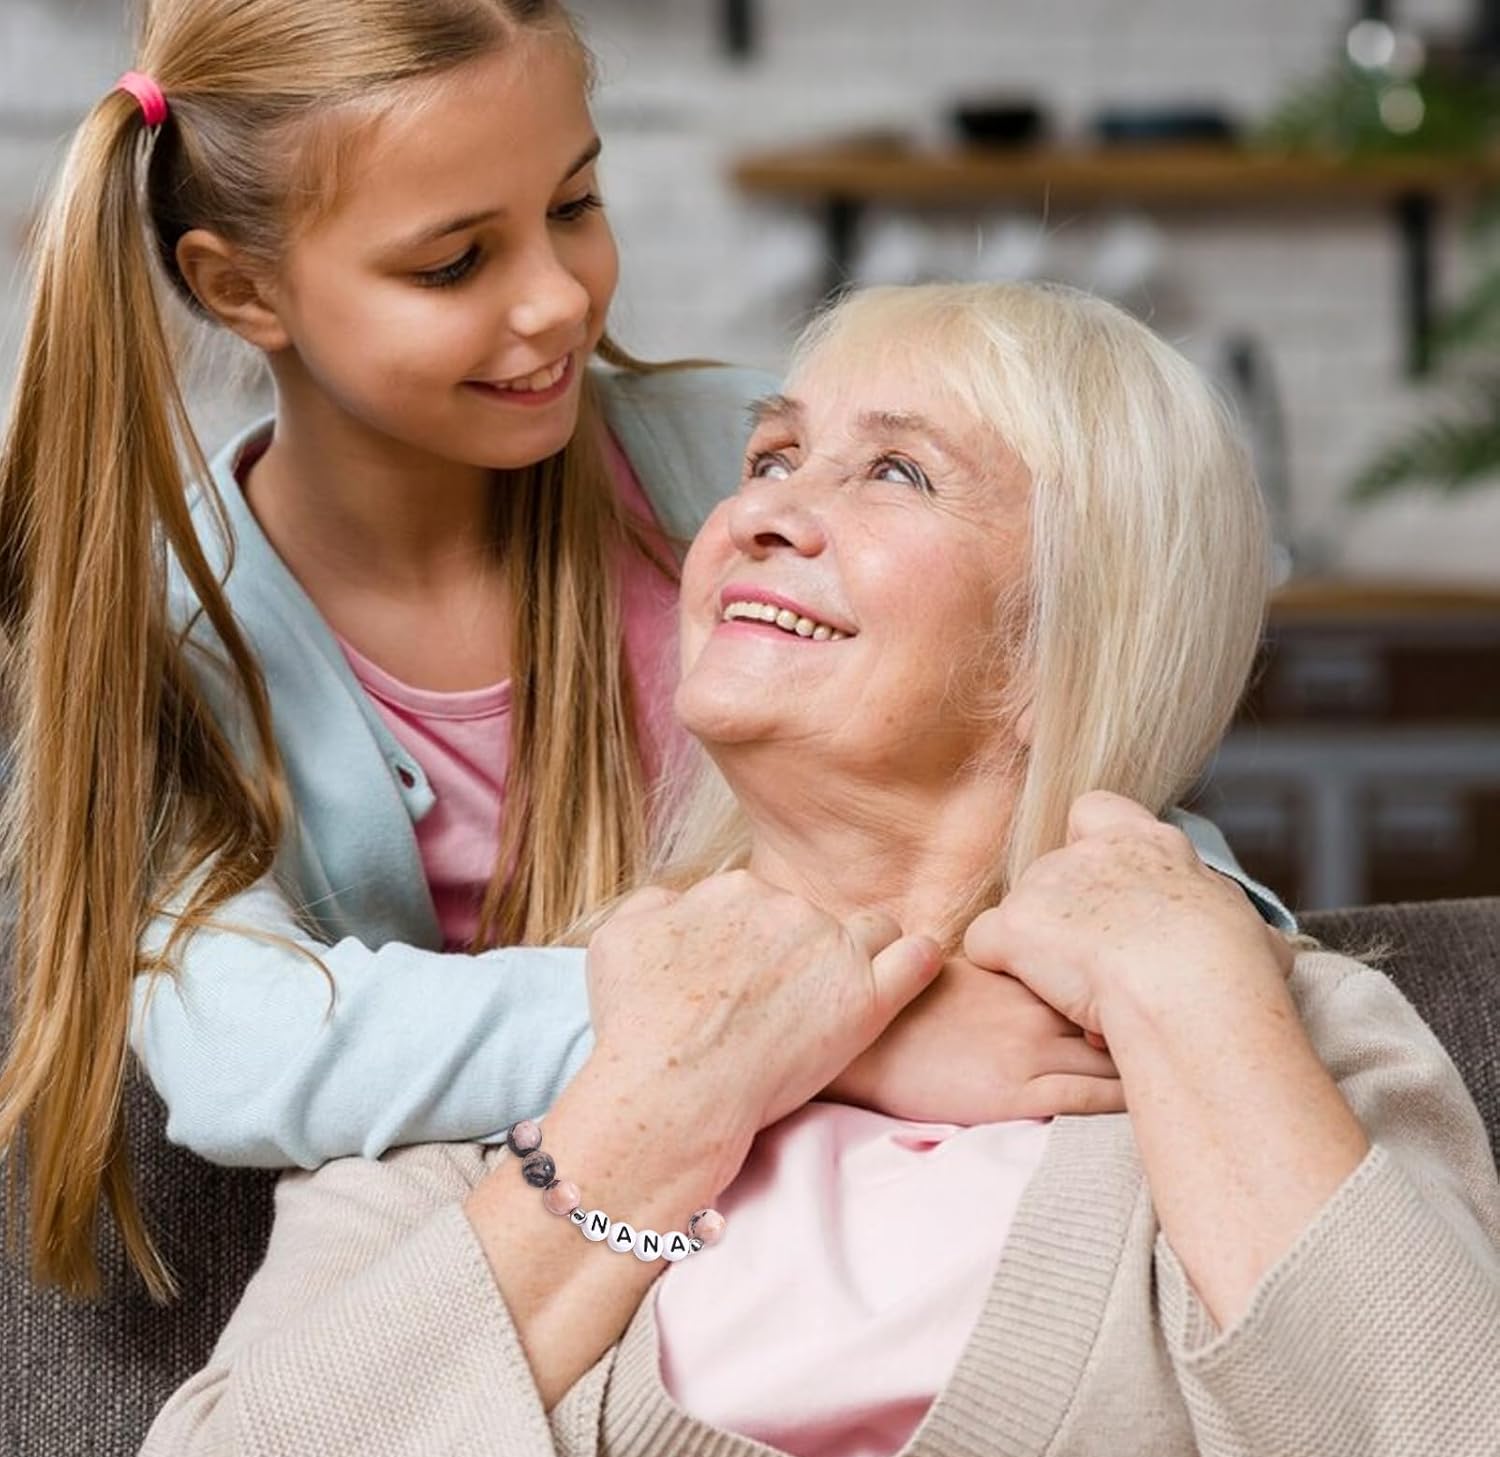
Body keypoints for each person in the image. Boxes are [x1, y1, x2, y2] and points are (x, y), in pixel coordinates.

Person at [0, 1, 1282, 1301]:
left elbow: (1090, 730)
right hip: (531, 1266)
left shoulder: (760, 470)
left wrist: (1205, 948)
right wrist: (809, 1033)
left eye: (575, 203)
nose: (558, 300)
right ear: (240, 287)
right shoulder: (157, 633)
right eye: (453, 264)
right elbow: (242, 1051)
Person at [136, 283, 1500, 1457]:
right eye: (772, 455)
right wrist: (661, 1105)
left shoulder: (1275, 1029)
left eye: (897, 473)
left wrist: (1199, 1001)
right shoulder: (544, 1048)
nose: (760, 512)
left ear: (1063, 637)